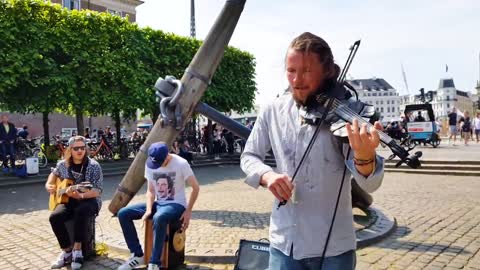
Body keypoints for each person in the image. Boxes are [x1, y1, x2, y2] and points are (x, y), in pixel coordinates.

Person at [240, 32, 384, 270]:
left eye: (306, 70)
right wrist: (268, 176)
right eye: (291, 70)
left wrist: (365, 156)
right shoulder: (272, 111)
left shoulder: (344, 115)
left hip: (335, 249)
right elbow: (249, 156)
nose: (297, 80)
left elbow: (369, 185)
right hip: (284, 244)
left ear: (326, 71)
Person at [117, 142, 200, 270]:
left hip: (176, 204)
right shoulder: (150, 164)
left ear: (167, 156)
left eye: (160, 162)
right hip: (158, 203)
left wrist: (188, 211)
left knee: (159, 217)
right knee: (123, 213)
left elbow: (195, 188)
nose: (158, 166)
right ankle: (137, 255)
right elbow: (151, 190)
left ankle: (154, 262)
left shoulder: (181, 163)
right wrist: (149, 209)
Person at [45, 136, 103, 269]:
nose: (80, 151)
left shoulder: (94, 166)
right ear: (70, 150)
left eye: (82, 148)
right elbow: (53, 174)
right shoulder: (63, 164)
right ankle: (67, 251)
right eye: (76, 148)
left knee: (81, 211)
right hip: (68, 199)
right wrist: (49, 184)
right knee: (55, 217)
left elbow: (97, 190)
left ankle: (78, 250)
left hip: (90, 199)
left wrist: (81, 195)